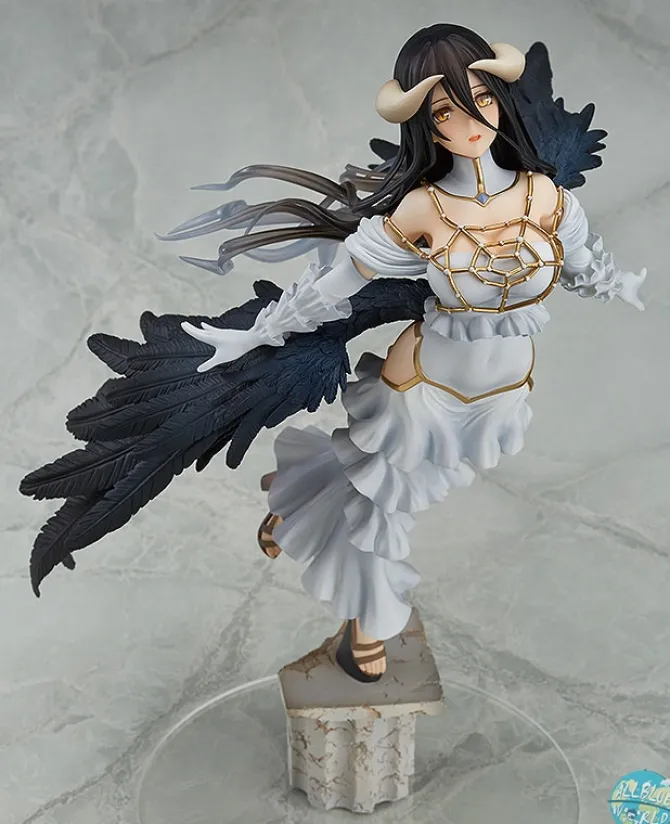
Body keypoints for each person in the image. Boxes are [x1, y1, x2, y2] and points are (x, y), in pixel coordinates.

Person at [20, 24, 646, 685]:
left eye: (482, 100)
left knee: (388, 485)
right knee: (383, 509)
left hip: (504, 397)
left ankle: (295, 500)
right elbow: (332, 286)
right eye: (445, 111)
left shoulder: (547, 197)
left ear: (501, 100)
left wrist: (621, 285)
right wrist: (253, 335)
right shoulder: (421, 210)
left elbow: (585, 266)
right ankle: (368, 626)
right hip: (425, 390)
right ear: (426, 126)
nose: (469, 124)